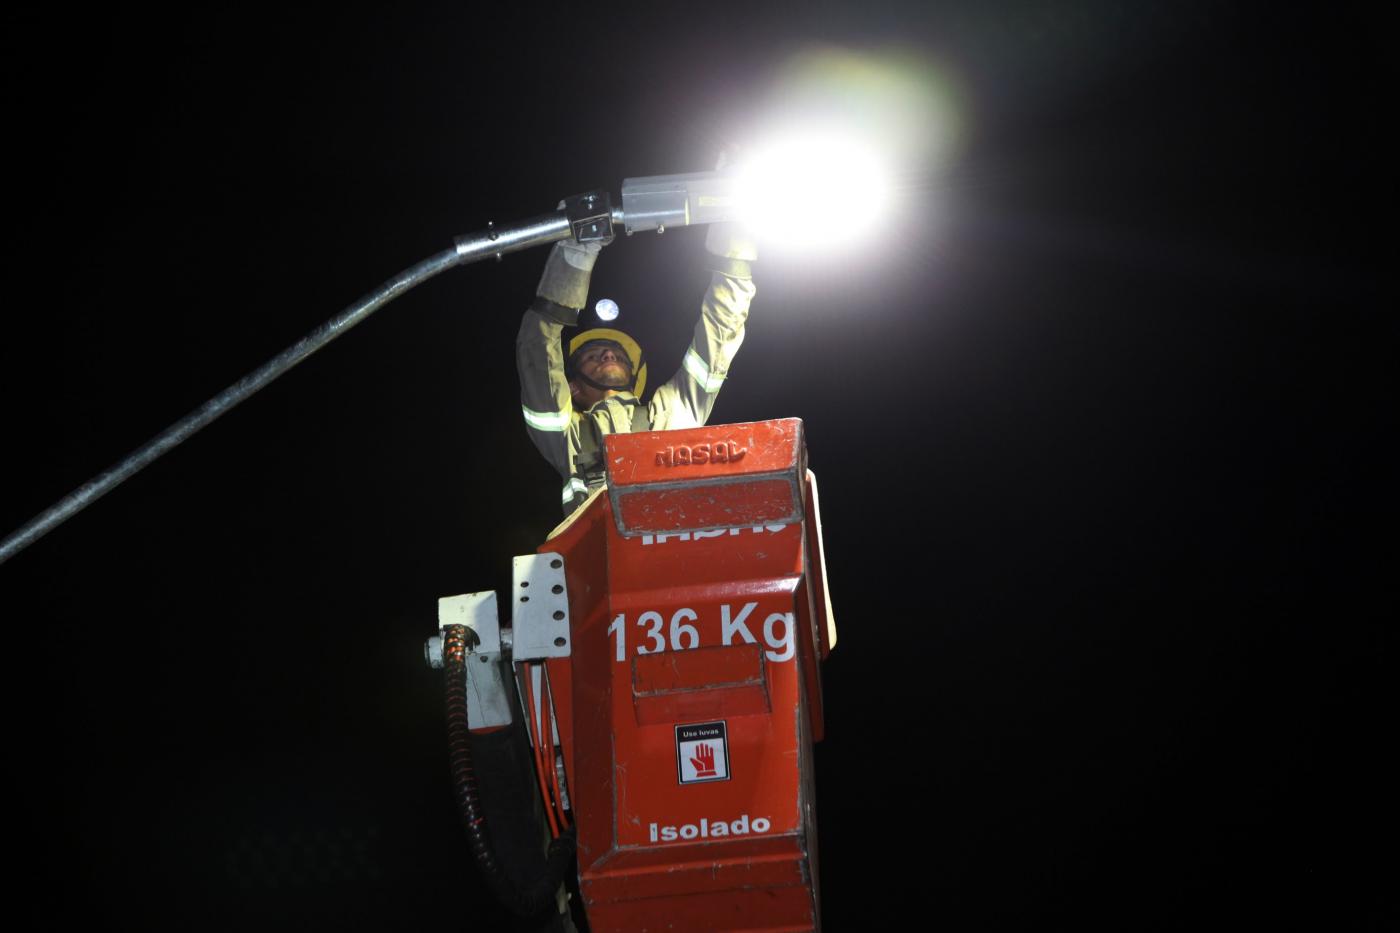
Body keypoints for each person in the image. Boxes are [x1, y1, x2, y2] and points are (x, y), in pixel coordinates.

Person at [517, 224, 757, 515]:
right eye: (592, 355)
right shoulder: (567, 438)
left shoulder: (670, 416)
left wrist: (734, 245)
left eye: (617, 354)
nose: (608, 353)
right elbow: (538, 349)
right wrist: (577, 252)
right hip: (599, 558)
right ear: (573, 387)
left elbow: (719, 335)